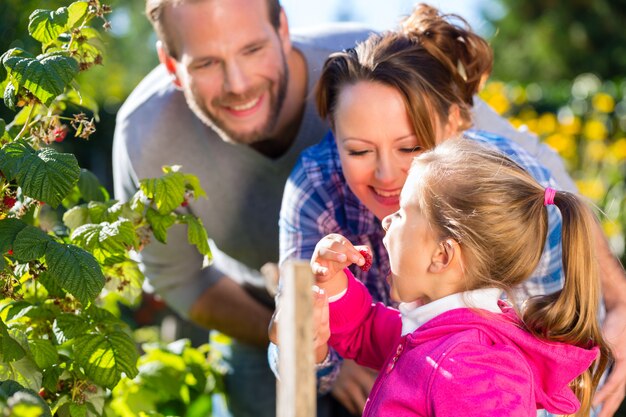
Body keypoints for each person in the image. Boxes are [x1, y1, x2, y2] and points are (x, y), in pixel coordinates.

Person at [274, 4, 626, 416]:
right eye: (359, 150)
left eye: (410, 147)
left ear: (456, 125)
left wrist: (620, 300)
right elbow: (366, 329)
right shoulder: (431, 327)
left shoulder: (474, 366)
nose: (388, 175)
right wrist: (327, 293)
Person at [112, 0, 373, 415]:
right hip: (260, 311)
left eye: (252, 50)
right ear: (172, 65)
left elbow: (503, 174)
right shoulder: (146, 134)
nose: (238, 84)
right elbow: (179, 278)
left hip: (406, 305)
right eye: (207, 63)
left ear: (283, 29)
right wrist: (298, 338)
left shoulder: (374, 67)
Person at [308, 138, 612, 417]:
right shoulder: (437, 332)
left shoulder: (473, 367)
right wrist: (332, 282)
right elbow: (363, 330)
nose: (386, 221)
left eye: (401, 213)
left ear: (442, 256)